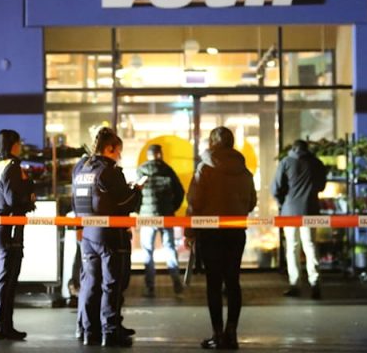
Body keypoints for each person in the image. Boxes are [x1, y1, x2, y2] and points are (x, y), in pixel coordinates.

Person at [187, 126, 257, 351]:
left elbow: (194, 202)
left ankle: (217, 334)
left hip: (210, 232)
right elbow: (251, 203)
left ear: (212, 143)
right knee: (233, 282)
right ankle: (231, 333)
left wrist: (190, 231)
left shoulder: (205, 169)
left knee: (214, 284)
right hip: (236, 232)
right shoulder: (244, 171)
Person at [73, 127, 143, 347]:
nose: (119, 156)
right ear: (110, 148)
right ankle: (111, 331)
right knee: (112, 283)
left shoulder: (81, 168)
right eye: (118, 151)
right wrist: (137, 190)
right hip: (110, 235)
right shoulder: (109, 171)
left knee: (90, 283)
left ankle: (88, 330)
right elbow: (125, 203)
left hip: (87, 233)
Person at [0, 129, 36, 340]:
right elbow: (13, 200)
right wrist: (29, 192)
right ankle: (1, 328)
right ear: (14, 145)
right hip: (8, 229)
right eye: (19, 143)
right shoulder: (12, 167)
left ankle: (2, 326)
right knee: (7, 281)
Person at [272, 139, 327, 299]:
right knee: (310, 246)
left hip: (289, 211)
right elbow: (321, 186)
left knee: (292, 247)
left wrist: (282, 203)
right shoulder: (316, 163)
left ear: (293, 149)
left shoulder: (286, 162)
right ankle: (315, 283)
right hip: (309, 209)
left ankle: (294, 283)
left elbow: (276, 188)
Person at [136, 143, 186, 297]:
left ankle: (149, 287)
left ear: (149, 155)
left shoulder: (141, 170)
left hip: (147, 218)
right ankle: (177, 284)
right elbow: (180, 192)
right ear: (160, 154)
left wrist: (139, 210)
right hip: (166, 216)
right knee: (170, 248)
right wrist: (172, 207)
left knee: (147, 251)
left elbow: (135, 193)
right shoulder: (168, 170)